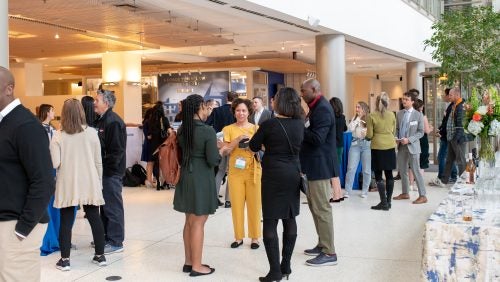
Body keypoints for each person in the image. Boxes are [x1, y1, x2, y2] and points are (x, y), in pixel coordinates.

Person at [0, 66, 54, 281]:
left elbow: (44, 181)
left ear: (9, 88)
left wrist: (23, 229)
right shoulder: (6, 123)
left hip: (16, 227)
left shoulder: (25, 125)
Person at [249, 87, 304, 281]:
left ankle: (274, 271)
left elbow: (253, 146)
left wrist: (267, 145)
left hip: (273, 174)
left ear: (280, 102)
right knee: (290, 218)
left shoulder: (269, 124)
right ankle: (286, 265)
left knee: (271, 220)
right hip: (293, 173)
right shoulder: (300, 124)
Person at [50, 99, 107, 271]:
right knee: (94, 218)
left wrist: (53, 144)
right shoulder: (91, 133)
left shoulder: (58, 135)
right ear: (82, 112)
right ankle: (100, 256)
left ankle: (65, 260)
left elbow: (55, 163)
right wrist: (99, 183)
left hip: (68, 183)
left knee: (66, 222)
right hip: (90, 181)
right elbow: (98, 162)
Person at [173, 94, 221, 277]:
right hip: (201, 178)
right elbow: (212, 159)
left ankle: (189, 261)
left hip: (186, 176)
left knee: (189, 222)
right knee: (199, 223)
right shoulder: (207, 131)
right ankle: (197, 266)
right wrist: (222, 150)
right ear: (200, 106)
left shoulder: (183, 129)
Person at [299, 78, 338, 266]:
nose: (301, 94)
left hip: (320, 166)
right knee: (315, 207)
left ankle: (330, 253)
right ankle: (323, 244)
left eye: (304, 90)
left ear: (314, 90)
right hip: (313, 165)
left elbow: (317, 138)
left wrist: (299, 127)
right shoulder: (315, 107)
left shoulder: (322, 109)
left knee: (322, 208)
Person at [222, 98, 262, 249]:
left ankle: (255, 238)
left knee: (254, 205)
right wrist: (237, 139)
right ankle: (238, 237)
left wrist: (252, 144)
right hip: (235, 172)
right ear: (234, 112)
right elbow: (225, 150)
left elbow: (262, 148)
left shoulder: (256, 128)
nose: (241, 113)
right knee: (237, 205)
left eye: (244, 110)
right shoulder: (228, 129)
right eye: (238, 110)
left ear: (249, 112)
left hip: (253, 170)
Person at [94, 89, 127, 254]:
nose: (94, 103)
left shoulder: (113, 122)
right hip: (103, 172)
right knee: (105, 207)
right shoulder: (101, 120)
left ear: (106, 103)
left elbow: (116, 151)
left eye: (97, 100)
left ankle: (116, 241)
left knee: (113, 207)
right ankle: (107, 237)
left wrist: (107, 168)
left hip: (111, 173)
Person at [392, 92, 427, 204]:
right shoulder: (399, 114)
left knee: (416, 171)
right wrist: (396, 137)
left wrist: (409, 139)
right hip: (401, 146)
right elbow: (397, 128)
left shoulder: (418, 115)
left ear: (412, 101)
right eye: (403, 99)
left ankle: (423, 195)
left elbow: (421, 132)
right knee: (402, 170)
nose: (404, 101)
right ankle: (405, 193)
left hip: (413, 146)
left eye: (406, 99)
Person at [37, 104, 61, 256]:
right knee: (46, 204)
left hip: (53, 168)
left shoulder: (53, 130)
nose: (54, 113)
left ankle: (55, 237)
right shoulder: (38, 129)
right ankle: (48, 239)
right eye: (52, 110)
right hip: (43, 169)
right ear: (46, 112)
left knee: (54, 204)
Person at [366, 92, 397, 210]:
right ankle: (389, 202)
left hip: (377, 147)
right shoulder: (392, 115)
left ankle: (383, 202)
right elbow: (393, 132)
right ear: (387, 102)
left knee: (378, 175)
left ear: (376, 102)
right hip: (390, 145)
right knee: (389, 174)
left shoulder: (371, 116)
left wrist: (366, 137)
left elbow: (369, 134)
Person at [207, 91, 237, 208]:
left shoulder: (216, 111)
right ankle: (228, 200)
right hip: (234, 145)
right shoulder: (236, 111)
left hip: (221, 144)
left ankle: (214, 198)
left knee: (220, 171)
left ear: (226, 98)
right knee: (231, 172)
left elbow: (207, 124)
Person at [429, 88, 458, 186]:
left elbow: (449, 123)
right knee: (448, 157)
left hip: (446, 136)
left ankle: (441, 177)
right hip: (445, 135)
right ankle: (453, 176)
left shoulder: (452, 106)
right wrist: (440, 128)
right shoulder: (450, 106)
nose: (446, 97)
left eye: (448, 95)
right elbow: (445, 121)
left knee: (441, 157)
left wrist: (441, 131)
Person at [344, 101, 372, 198]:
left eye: (358, 107)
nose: (356, 109)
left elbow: (371, 132)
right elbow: (350, 129)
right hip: (355, 145)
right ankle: (347, 190)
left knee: (366, 170)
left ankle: (364, 191)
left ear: (364, 109)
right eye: (356, 107)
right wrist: (357, 120)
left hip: (367, 145)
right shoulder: (354, 118)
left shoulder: (369, 118)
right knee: (351, 168)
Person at [440, 87, 467, 185]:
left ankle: (463, 182)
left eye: (451, 95)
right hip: (451, 138)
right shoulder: (454, 105)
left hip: (458, 139)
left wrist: (456, 138)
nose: (449, 97)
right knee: (449, 160)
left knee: (460, 160)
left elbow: (460, 125)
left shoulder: (461, 106)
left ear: (457, 95)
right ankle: (444, 181)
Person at [408, 99, 433, 190]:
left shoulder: (410, 115)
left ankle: (411, 184)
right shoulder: (422, 116)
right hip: (422, 141)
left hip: (412, 140)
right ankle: (420, 184)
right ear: (420, 107)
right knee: (422, 162)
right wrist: (431, 128)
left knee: (412, 163)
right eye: (422, 106)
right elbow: (426, 131)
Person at [148, 101, 171, 190]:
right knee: (164, 164)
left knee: (156, 164)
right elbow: (169, 131)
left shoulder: (151, 120)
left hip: (154, 146)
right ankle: (166, 183)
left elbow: (149, 136)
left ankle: (158, 183)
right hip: (163, 145)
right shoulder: (164, 119)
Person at [329, 97, 346, 203]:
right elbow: (345, 128)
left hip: (332, 146)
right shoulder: (342, 117)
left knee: (333, 172)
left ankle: (336, 196)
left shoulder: (331, 118)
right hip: (340, 146)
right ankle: (339, 193)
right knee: (336, 170)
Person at [141, 107, 155, 188]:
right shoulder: (147, 122)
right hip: (149, 145)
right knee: (150, 163)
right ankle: (149, 180)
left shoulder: (146, 122)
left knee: (150, 163)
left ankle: (149, 180)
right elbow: (149, 136)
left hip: (148, 145)